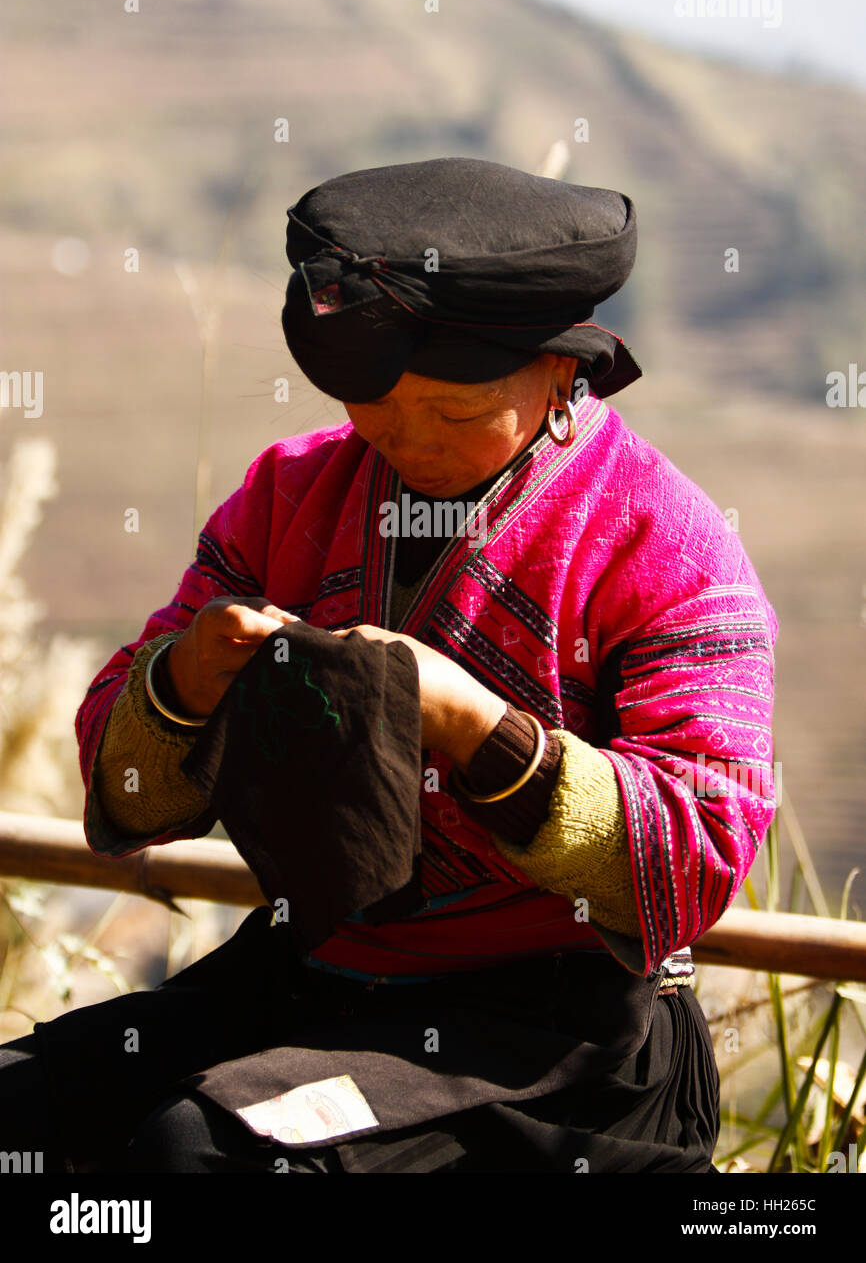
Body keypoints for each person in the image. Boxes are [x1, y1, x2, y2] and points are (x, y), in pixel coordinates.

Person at [0, 157, 777, 1173]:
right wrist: (187, 679)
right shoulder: (289, 496)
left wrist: (475, 728)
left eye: (453, 413)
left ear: (562, 366)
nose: (406, 443)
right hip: (312, 975)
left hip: (557, 1032)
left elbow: (698, 848)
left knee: (195, 1154)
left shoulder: (663, 545)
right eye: (376, 408)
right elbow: (127, 792)